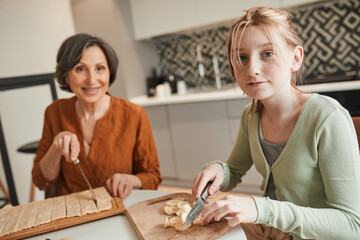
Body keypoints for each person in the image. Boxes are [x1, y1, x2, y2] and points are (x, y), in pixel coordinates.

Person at [191, 6, 360, 240]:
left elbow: (351, 225)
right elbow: (235, 171)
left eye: (267, 53)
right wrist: (219, 169)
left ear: (296, 58)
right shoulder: (250, 116)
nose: (252, 69)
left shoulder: (327, 118)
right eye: (242, 57)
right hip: (269, 231)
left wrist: (261, 209)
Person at [32, 33, 162, 199]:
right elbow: (41, 180)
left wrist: (130, 180)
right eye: (80, 69)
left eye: (99, 68)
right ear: (66, 74)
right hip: (71, 215)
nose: (92, 80)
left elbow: (153, 177)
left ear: (109, 72)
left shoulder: (134, 115)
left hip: (120, 209)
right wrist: (56, 148)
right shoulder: (54, 112)